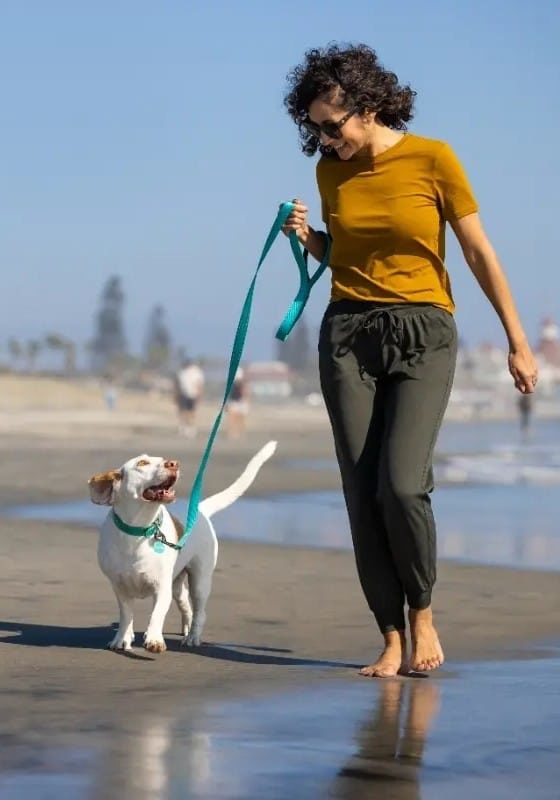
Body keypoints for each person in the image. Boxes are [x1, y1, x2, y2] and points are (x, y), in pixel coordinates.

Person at [282, 43, 538, 678]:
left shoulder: (433, 158)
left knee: (401, 483)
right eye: (312, 127)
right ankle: (392, 637)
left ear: (367, 109)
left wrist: (517, 338)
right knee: (361, 493)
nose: (322, 137)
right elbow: (344, 256)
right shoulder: (330, 172)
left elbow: (477, 251)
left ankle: (422, 611)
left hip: (424, 330)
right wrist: (307, 239)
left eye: (331, 125)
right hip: (347, 334)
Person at [174, 359, 205, 438]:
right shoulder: (182, 372)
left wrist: (199, 395)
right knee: (184, 411)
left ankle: (190, 428)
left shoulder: (196, 372)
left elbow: (199, 384)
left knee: (190, 412)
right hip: (184, 394)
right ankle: (184, 428)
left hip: (192, 394)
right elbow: (178, 384)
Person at [226, 366, 250, 439]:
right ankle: (233, 433)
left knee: (240, 418)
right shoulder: (233, 383)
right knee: (233, 418)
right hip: (234, 401)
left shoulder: (242, 383)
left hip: (240, 402)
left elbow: (246, 392)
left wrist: (247, 401)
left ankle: (238, 433)